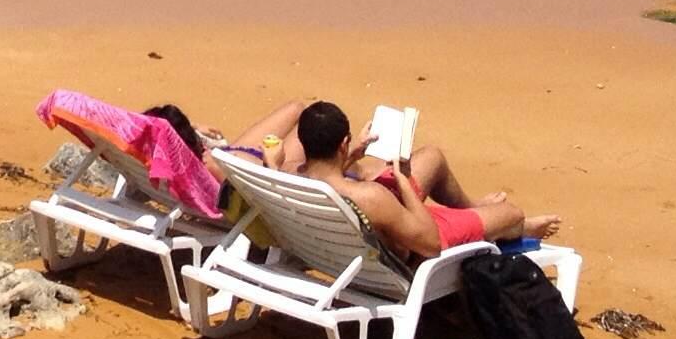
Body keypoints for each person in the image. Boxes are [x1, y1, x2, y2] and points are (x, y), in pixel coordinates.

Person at [240, 98, 560, 258]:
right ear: (342, 142)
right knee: (511, 213)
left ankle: (472, 209)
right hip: (402, 247)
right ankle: (516, 227)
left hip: (339, 244)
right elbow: (431, 245)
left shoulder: (287, 175)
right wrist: (403, 183)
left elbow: (326, 175)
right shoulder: (370, 198)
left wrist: (355, 155)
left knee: (431, 156)